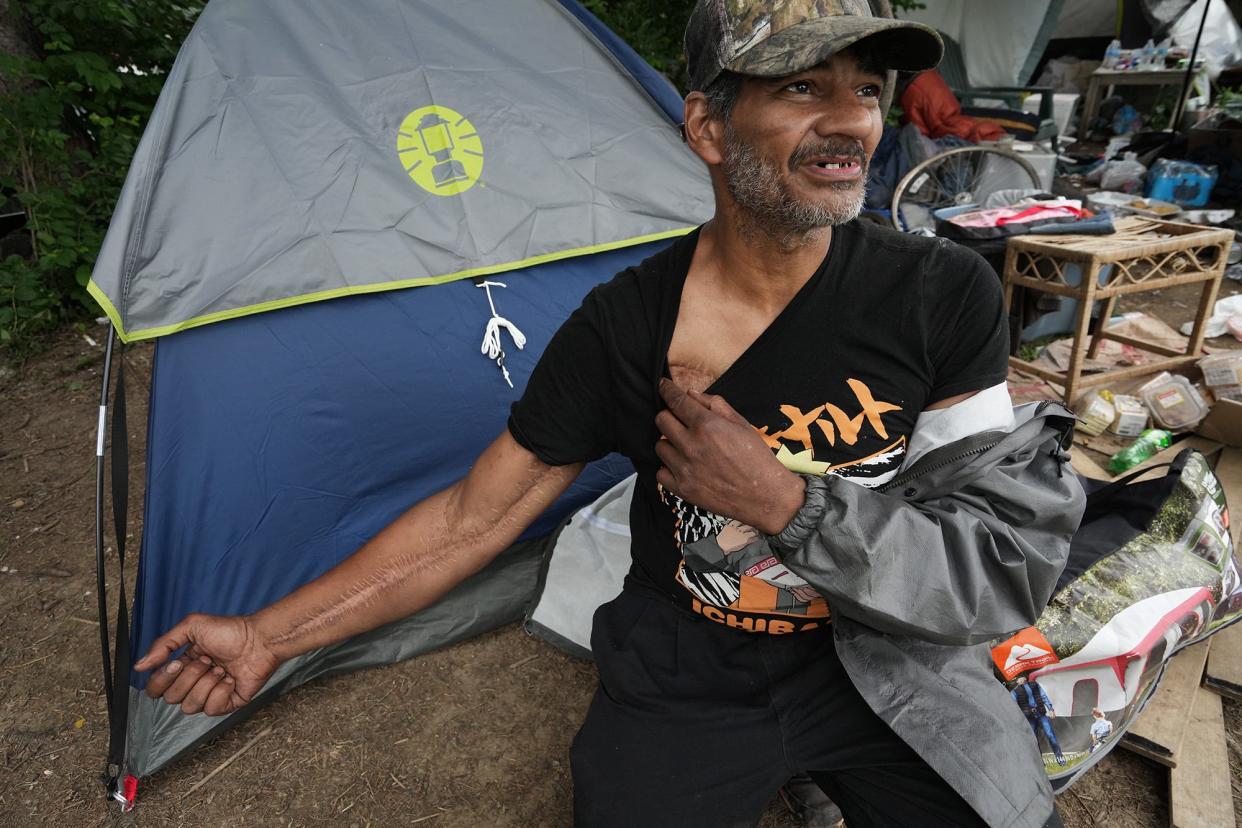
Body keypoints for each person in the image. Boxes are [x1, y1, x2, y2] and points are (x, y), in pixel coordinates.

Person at [135, 2, 1079, 825]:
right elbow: (473, 520)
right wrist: (268, 636)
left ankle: (832, 771)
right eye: (801, 90)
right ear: (708, 127)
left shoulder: (937, 293)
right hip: (690, 674)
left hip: (885, 654)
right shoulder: (626, 326)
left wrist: (788, 506)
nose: (850, 124)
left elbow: (1000, 559)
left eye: (867, 90)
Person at [1012, 675, 1067, 766]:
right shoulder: (1014, 692)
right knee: (1033, 740)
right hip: (1029, 718)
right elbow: (1013, 707)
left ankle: (1060, 758)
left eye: (1022, 676)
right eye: (1019, 678)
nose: (1022, 679)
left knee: (1051, 735)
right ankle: (1040, 762)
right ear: (1017, 681)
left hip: (1041, 714)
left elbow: (1043, 696)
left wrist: (1051, 709)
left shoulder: (1035, 685)